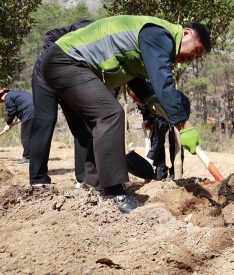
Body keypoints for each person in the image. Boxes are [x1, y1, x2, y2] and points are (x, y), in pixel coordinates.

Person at [40, 15, 211, 213]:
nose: (191, 59)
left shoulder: (154, 39)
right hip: (66, 60)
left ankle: (92, 186)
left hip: (67, 63)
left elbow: (133, 75)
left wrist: (149, 98)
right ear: (187, 33)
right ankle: (114, 192)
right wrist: (184, 124)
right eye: (195, 51)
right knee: (110, 114)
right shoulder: (160, 35)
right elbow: (163, 81)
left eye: (197, 58)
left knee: (102, 120)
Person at [28, 20, 95, 187]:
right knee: (46, 122)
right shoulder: (88, 28)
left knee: (82, 126)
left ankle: (84, 178)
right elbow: (50, 35)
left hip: (70, 82)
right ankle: (38, 180)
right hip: (45, 78)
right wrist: (54, 62)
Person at [128, 83, 189, 181]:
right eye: (135, 100)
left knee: (174, 138)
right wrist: (147, 121)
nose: (138, 102)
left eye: (139, 99)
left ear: (145, 94)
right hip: (158, 114)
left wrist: (149, 159)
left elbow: (160, 129)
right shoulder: (140, 97)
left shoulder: (158, 98)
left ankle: (176, 172)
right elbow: (144, 109)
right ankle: (161, 170)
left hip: (178, 107)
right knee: (154, 137)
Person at [0, 88, 35, 165]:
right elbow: (21, 105)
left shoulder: (8, 96)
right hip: (37, 111)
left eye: (2, 100)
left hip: (29, 112)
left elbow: (11, 111)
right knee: (32, 135)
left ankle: (27, 158)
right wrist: (21, 117)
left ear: (3, 94)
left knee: (25, 136)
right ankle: (35, 156)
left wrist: (8, 124)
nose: (4, 101)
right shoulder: (17, 94)